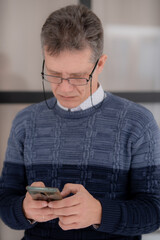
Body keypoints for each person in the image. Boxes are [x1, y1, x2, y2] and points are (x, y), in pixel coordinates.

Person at [0, 4, 160, 240]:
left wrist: (100, 213)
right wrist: (24, 210)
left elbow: (154, 211)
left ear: (101, 64)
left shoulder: (137, 123)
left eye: (77, 77)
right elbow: (6, 201)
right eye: (53, 74)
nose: (64, 88)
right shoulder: (26, 122)